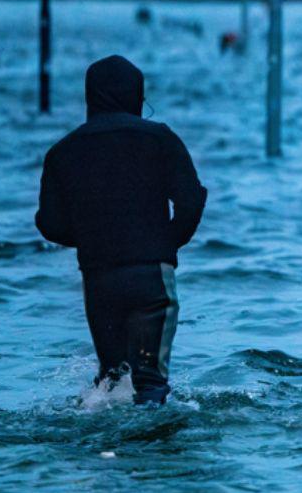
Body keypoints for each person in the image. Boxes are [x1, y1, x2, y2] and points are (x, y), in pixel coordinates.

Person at [36, 55, 207, 405]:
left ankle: (105, 452)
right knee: (150, 384)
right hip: (151, 277)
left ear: (90, 98)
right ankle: (149, 451)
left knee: (111, 381)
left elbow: (49, 224)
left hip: (98, 280)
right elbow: (191, 200)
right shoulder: (160, 139)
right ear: (136, 96)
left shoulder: (63, 151)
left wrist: (95, 237)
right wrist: (164, 242)